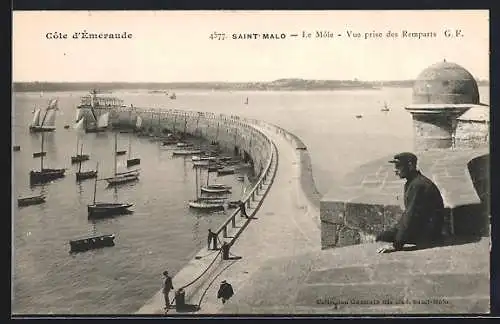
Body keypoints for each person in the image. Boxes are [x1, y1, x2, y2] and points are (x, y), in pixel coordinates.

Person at [376, 152, 445, 253]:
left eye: (398, 166)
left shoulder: (418, 185)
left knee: (383, 238)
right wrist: (395, 231)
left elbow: (411, 215)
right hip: (423, 227)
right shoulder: (413, 182)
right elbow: (409, 214)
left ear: (410, 166)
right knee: (382, 236)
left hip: (428, 233)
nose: (395, 170)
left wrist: (397, 245)